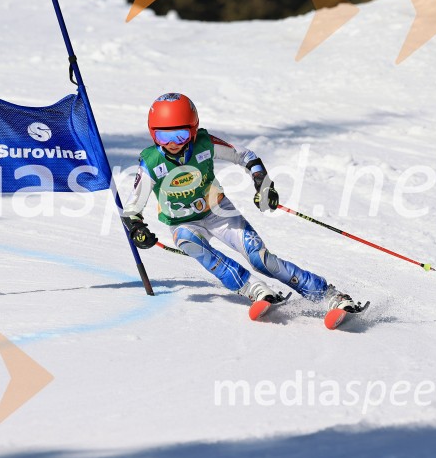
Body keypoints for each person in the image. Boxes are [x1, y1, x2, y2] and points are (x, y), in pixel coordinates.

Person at [121, 93, 359, 318]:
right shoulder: (151, 163)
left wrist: (263, 184)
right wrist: (137, 230)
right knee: (190, 243)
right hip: (182, 223)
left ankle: (330, 296)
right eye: (164, 137)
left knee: (260, 259)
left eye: (180, 136)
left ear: (193, 131)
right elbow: (132, 209)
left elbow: (247, 157)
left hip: (219, 213)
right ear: (153, 136)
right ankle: (255, 289)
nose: (173, 144)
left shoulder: (205, 144)